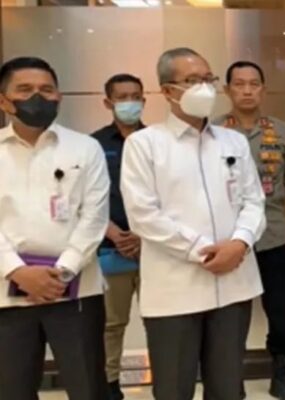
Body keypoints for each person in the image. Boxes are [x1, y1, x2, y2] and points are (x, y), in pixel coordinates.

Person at [120, 47, 266, 400]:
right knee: (173, 388)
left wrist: (239, 243)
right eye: (191, 80)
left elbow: (254, 201)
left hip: (234, 284)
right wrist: (203, 251)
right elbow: (143, 214)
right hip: (174, 290)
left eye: (208, 79)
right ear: (167, 90)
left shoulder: (233, 141)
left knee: (228, 387)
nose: (204, 88)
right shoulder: (144, 144)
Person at [0, 56, 110, 399]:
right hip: (7, 293)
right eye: (25, 89)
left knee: (88, 387)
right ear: (4, 100)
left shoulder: (85, 148)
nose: (38, 97)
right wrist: (17, 271)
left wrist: (63, 272)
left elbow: (95, 218)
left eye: (47, 90)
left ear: (59, 97)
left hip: (76, 291)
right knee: (11, 389)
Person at [215, 60, 285, 400]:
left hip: (272, 234)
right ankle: (229, 376)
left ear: (263, 89)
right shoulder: (213, 131)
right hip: (228, 237)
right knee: (230, 314)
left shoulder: (281, 131)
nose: (247, 90)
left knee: (279, 310)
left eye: (254, 84)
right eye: (239, 84)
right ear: (227, 90)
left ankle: (281, 372)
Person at [91, 73, 147, 400]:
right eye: (122, 97)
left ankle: (171, 381)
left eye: (135, 96)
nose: (130, 102)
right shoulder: (93, 145)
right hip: (111, 248)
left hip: (155, 248)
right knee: (112, 324)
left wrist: (143, 236)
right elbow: (85, 198)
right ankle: (110, 386)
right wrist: (114, 232)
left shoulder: (158, 141)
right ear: (107, 102)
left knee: (164, 321)